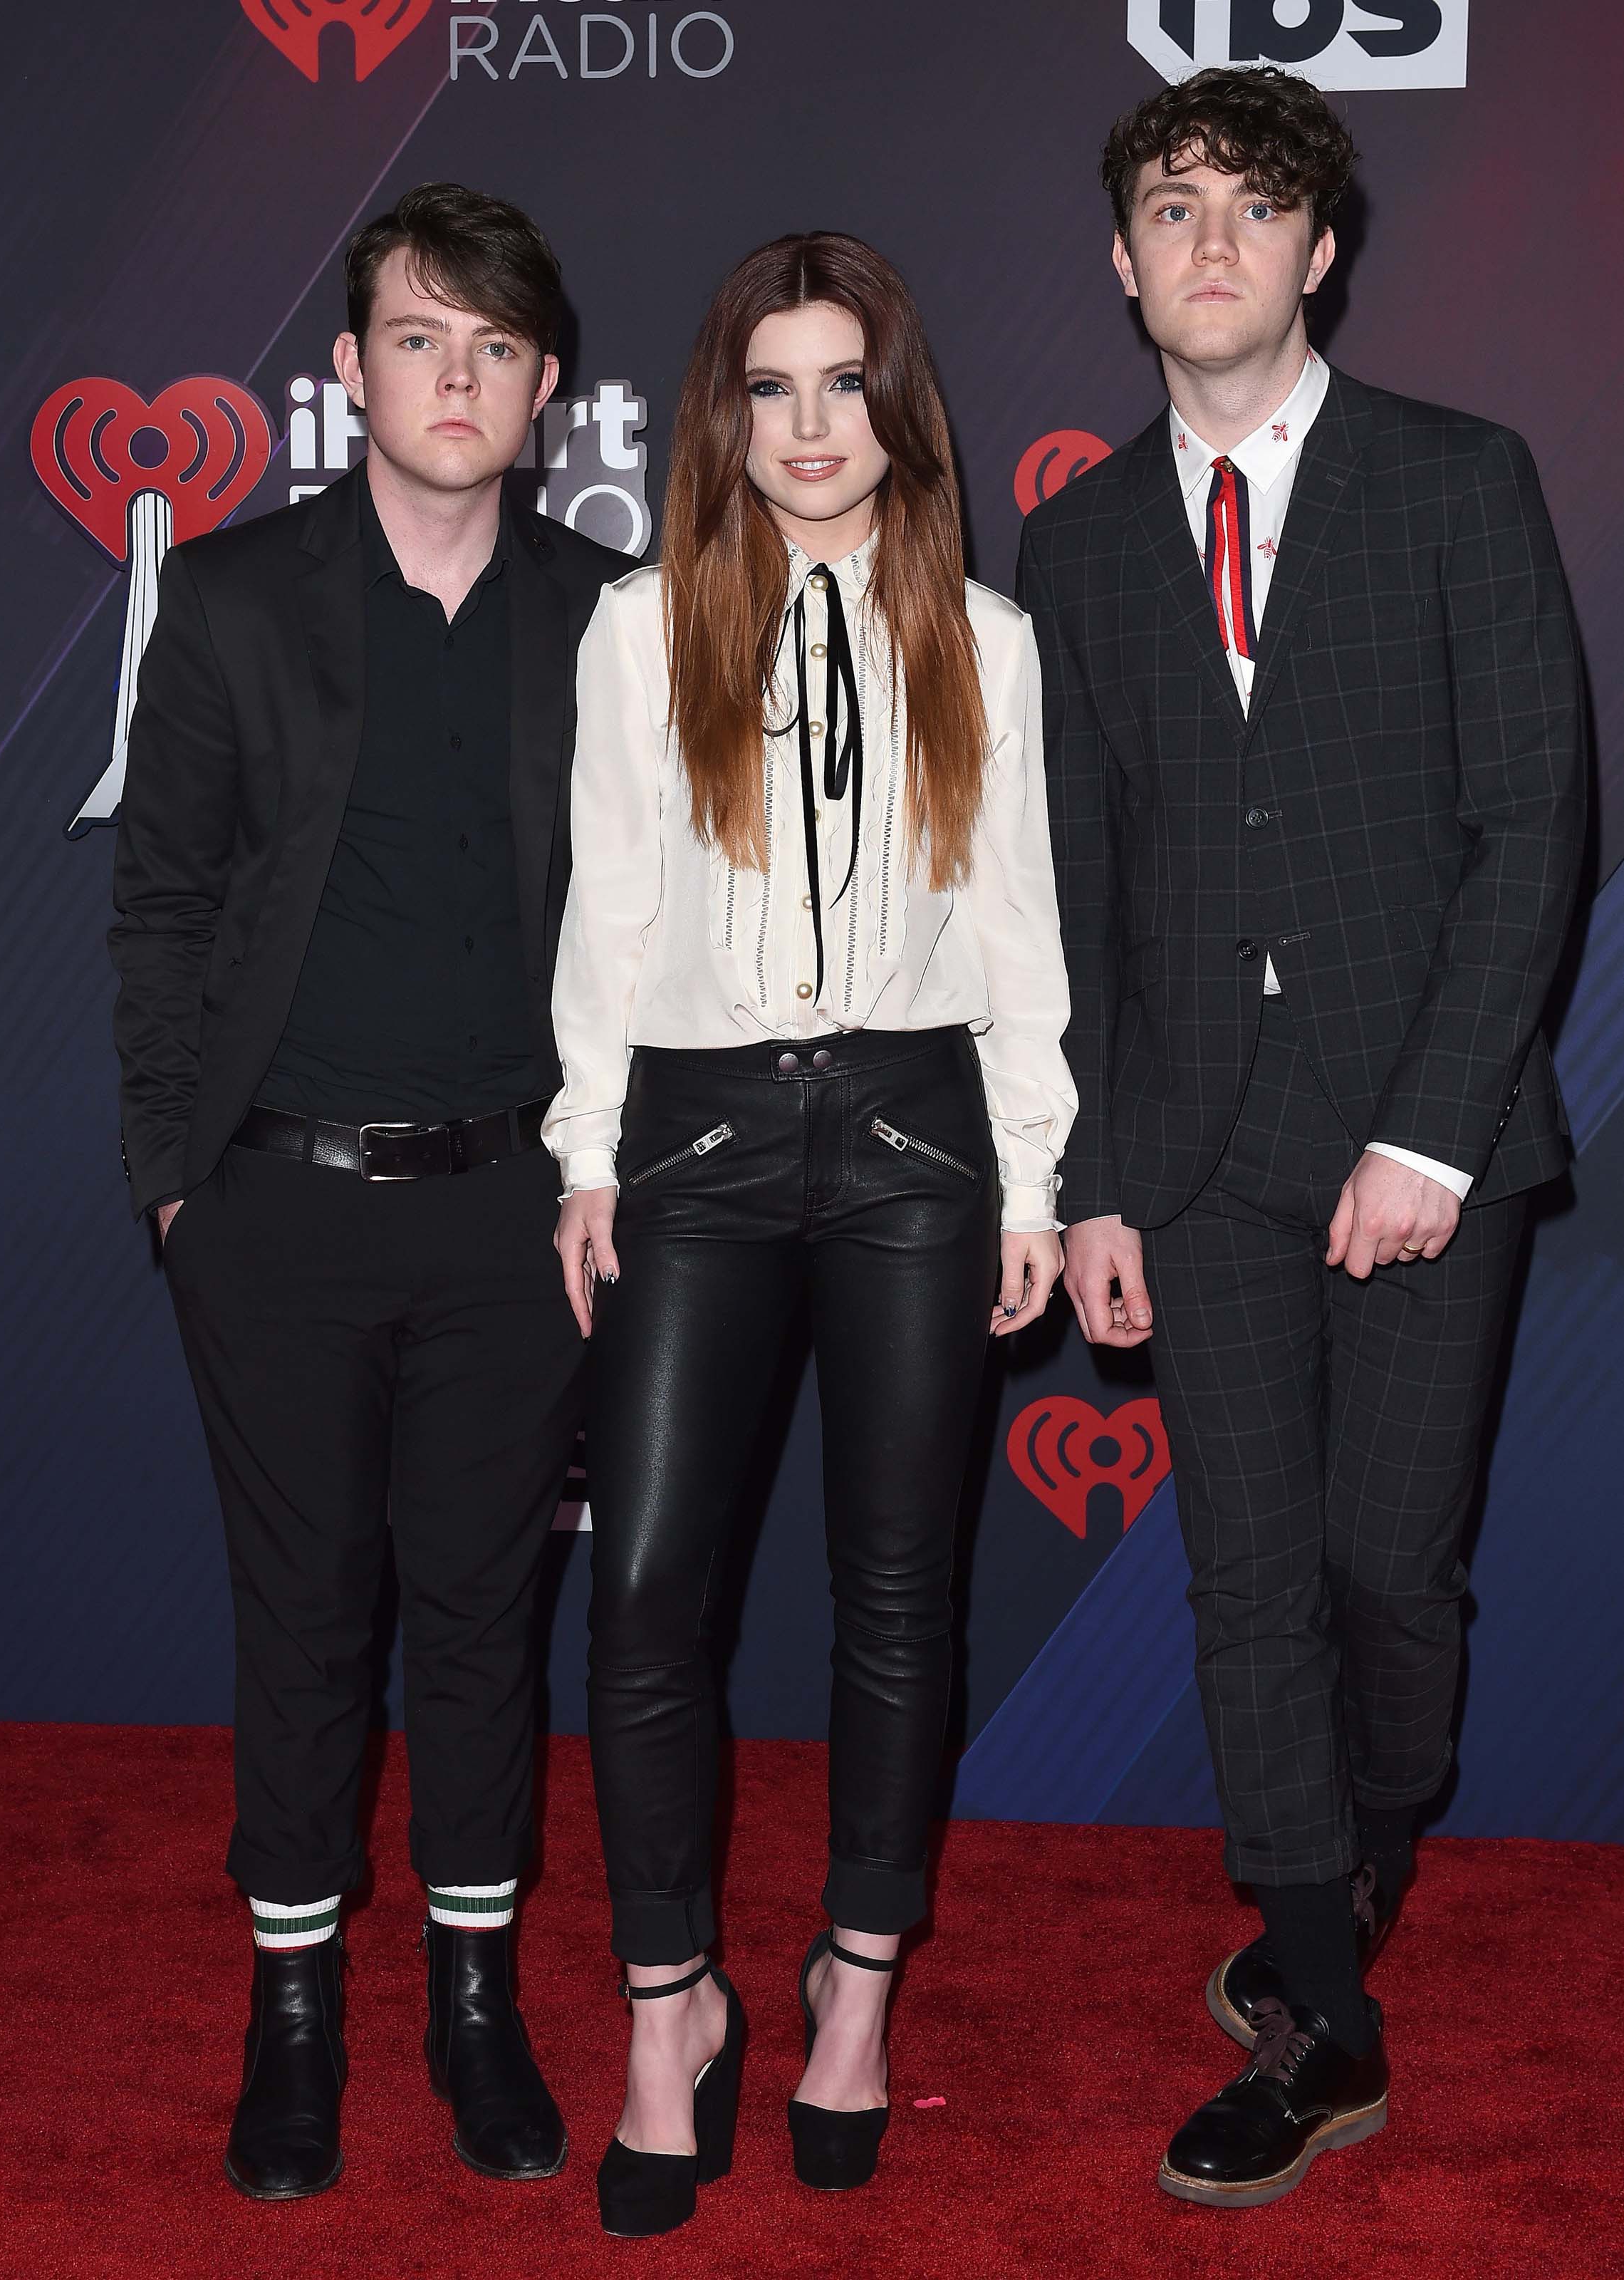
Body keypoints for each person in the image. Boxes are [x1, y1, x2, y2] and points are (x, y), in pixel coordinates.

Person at [1019, 68, 1585, 2207]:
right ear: (1122, 258)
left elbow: (1534, 822)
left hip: (1417, 1136)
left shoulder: (1456, 480)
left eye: (1252, 209)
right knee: (1244, 1588)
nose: (1210, 244)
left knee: (1384, 1584)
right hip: (1190, 1155)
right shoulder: (1069, 543)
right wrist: (1085, 1174)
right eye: (1170, 208)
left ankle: (1354, 1858)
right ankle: (1320, 2028)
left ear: (1319, 249)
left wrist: (1432, 1133)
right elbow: (1068, 884)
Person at [548, 231, 1076, 2237]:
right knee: (649, 1594)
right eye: (766, 389)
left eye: (839, 384)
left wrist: (1028, 1170)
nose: (805, 428)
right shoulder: (638, 626)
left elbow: (1017, 926)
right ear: (721, 415)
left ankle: (853, 1987)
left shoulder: (988, 641)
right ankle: (670, 2001)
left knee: (894, 1596)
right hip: (689, 1136)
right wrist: (585, 1154)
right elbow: (602, 912)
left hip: (916, 1143)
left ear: (894, 405)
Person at [110, 183, 632, 2200]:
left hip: (516, 1221)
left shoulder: (608, 615)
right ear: (347, 373)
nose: (456, 378)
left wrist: (610, 1185)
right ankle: (295, 2019)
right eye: (417, 339)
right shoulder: (234, 603)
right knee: (305, 1625)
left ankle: (476, 2010)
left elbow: (651, 938)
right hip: (274, 1213)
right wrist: (174, 1179)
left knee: (489, 1627)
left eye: (494, 349)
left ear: (543, 393)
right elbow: (155, 910)